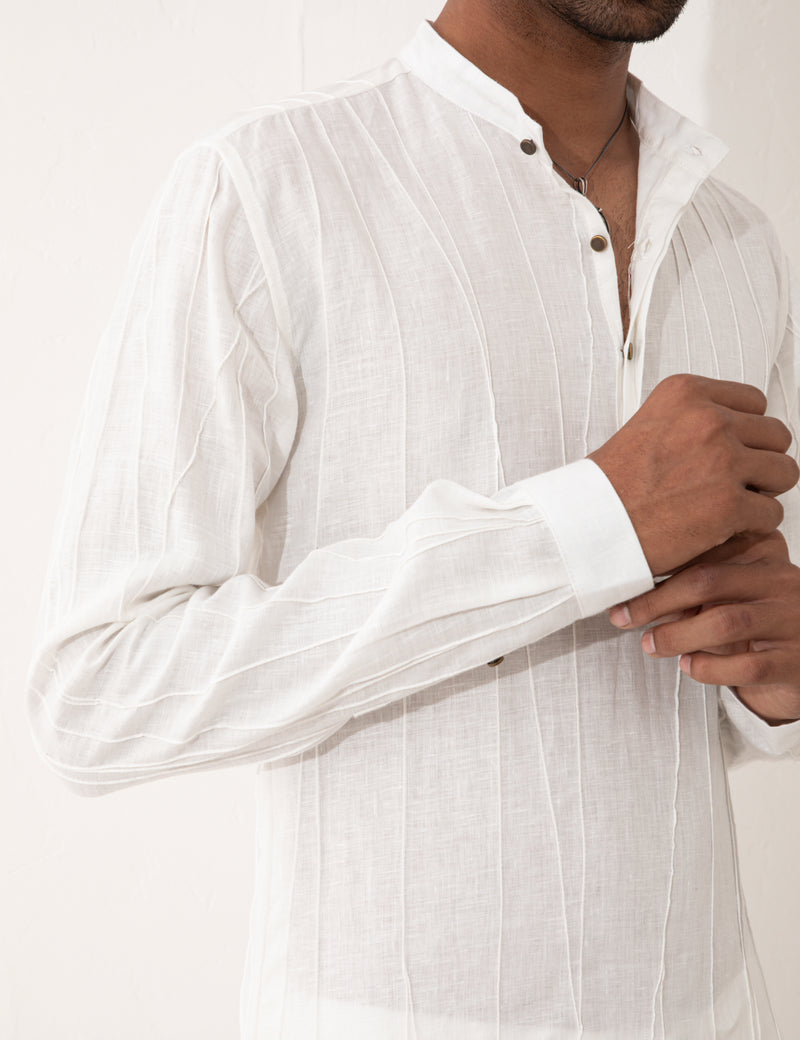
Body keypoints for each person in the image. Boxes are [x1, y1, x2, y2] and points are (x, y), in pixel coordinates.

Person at [25, 0, 800, 1036]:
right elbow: (99, 691)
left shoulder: (737, 242)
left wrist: (772, 682)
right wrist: (580, 527)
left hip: (710, 1008)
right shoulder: (269, 188)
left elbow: (683, 701)